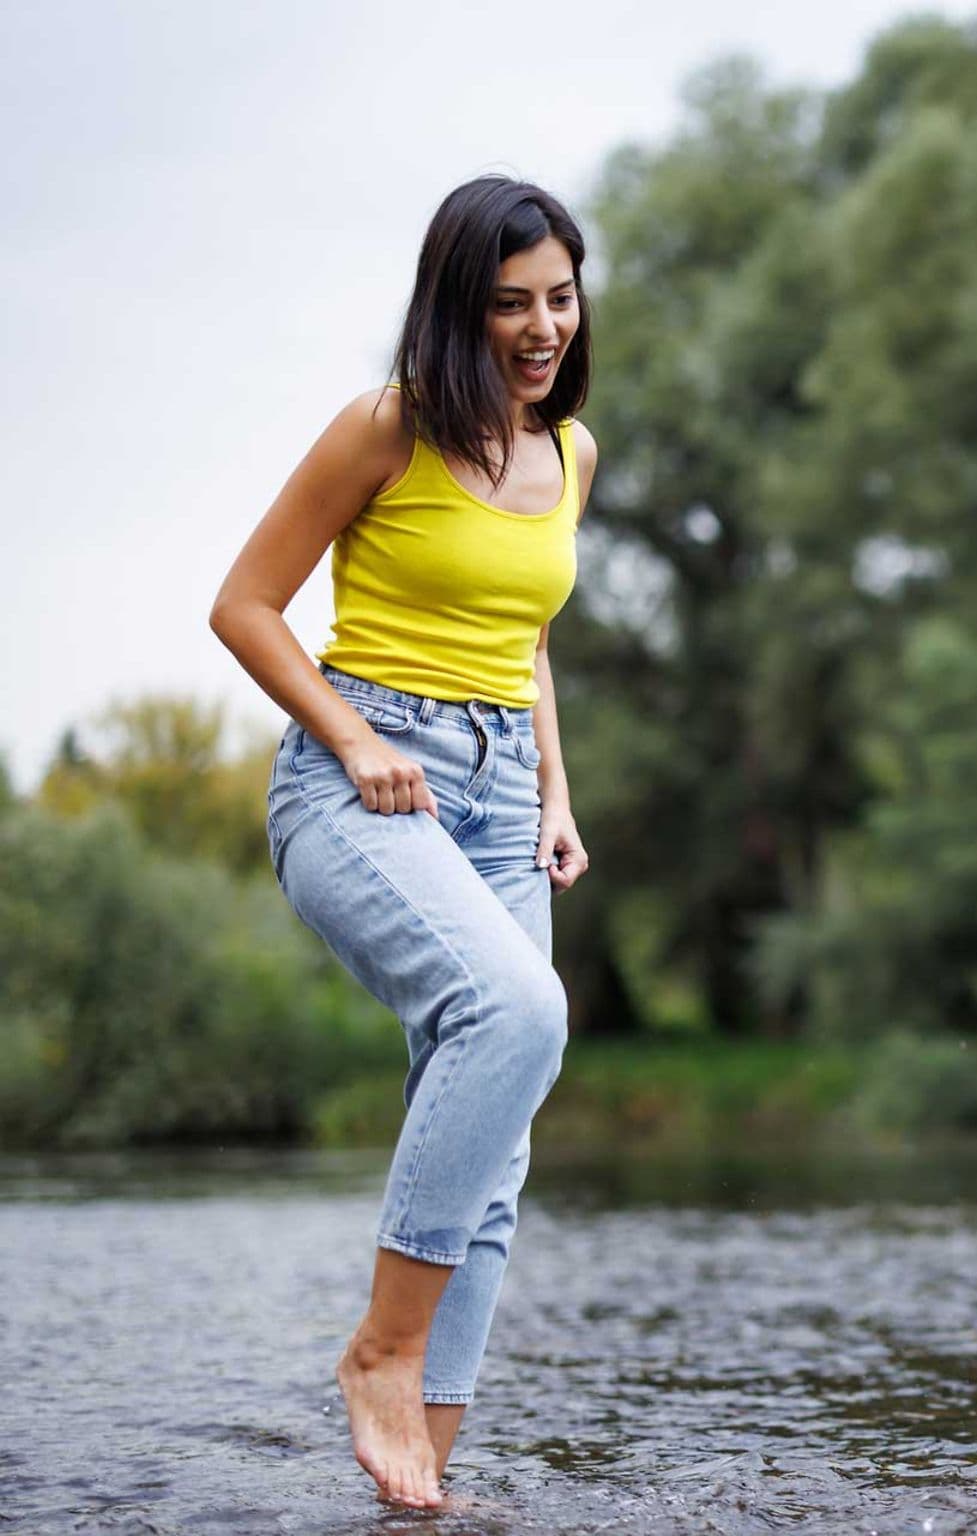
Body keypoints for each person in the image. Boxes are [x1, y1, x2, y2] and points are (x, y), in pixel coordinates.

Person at [209, 175, 597, 1510]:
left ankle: (423, 1470)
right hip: (359, 779)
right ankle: (380, 1352)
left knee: (500, 1140)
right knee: (516, 1012)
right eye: (509, 305)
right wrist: (356, 740)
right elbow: (245, 606)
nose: (542, 328)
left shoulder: (571, 455)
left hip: (499, 802)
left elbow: (529, 640)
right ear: (455, 306)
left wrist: (555, 793)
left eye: (559, 297)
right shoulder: (387, 430)